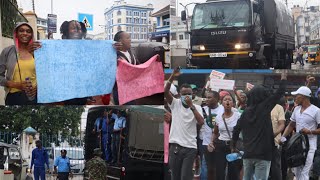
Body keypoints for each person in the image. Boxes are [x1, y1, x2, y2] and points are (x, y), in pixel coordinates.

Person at [232, 71, 287, 180]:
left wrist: (233, 146)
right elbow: (279, 93)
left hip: (248, 154)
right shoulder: (264, 108)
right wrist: (283, 79)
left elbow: (236, 129)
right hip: (263, 155)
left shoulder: (245, 112)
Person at [165, 67, 204, 180]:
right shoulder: (175, 104)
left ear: (192, 95)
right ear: (179, 95)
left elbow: (201, 122)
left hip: (190, 148)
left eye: (189, 94)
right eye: (183, 94)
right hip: (175, 147)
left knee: (185, 177)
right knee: (175, 176)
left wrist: (191, 106)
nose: (186, 96)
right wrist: (173, 76)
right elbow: (166, 91)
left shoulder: (196, 107)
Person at [281, 86, 320, 180]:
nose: (295, 98)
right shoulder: (296, 109)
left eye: (297, 96)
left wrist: (310, 131)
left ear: (303, 97)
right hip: (297, 145)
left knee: (305, 172)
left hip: (310, 146)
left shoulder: (316, 111)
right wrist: (283, 137)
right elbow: (291, 125)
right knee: (297, 172)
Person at [0, 22, 40, 105]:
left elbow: (45, 73)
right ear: (16, 34)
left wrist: (38, 87)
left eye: (28, 31)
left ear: (32, 35)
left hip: (35, 96)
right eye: (21, 31)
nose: (25, 33)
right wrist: (15, 85)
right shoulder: (7, 51)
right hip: (14, 97)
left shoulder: (38, 52)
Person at [208, 94, 242, 180]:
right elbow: (215, 133)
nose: (227, 101)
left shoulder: (238, 116)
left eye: (229, 100)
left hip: (233, 146)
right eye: (225, 100)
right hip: (221, 146)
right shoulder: (218, 117)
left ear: (233, 103)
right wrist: (211, 142)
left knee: (233, 172)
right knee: (219, 171)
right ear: (222, 103)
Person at [200, 90, 224, 180]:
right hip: (207, 143)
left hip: (220, 143)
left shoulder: (223, 109)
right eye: (206, 97)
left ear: (217, 99)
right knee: (209, 169)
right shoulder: (203, 109)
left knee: (220, 168)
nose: (207, 99)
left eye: (209, 97)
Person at [269, 103, 286, 180]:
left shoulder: (278, 108)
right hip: (261, 144)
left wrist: (274, 134)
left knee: (275, 169)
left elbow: (282, 124)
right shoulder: (259, 105)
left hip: (275, 143)